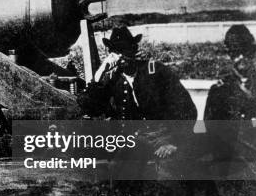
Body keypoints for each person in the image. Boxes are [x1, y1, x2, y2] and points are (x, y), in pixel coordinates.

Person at [78, 27, 197, 178]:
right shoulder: (112, 78)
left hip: (163, 137)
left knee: (167, 175)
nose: (121, 57)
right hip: (131, 141)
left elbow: (186, 108)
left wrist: (174, 141)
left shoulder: (155, 71)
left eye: (125, 51)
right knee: (117, 177)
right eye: (116, 52)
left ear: (133, 50)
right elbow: (88, 106)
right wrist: (99, 74)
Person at [204, 24, 256, 181]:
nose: (241, 59)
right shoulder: (218, 92)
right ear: (230, 55)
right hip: (230, 168)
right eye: (236, 53)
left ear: (252, 54)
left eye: (246, 53)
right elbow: (211, 133)